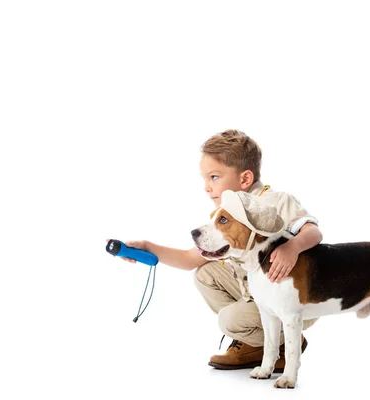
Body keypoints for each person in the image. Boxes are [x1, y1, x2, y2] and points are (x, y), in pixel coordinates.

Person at [117, 129, 322, 371]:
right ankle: (259, 344)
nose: (206, 187)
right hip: (261, 294)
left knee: (229, 321)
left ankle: (284, 338)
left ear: (245, 179)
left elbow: (314, 232)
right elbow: (189, 259)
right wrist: (148, 247)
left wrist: (293, 247)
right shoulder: (227, 214)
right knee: (206, 273)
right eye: (203, 178)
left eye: (214, 177)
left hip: (293, 297)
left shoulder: (275, 201)